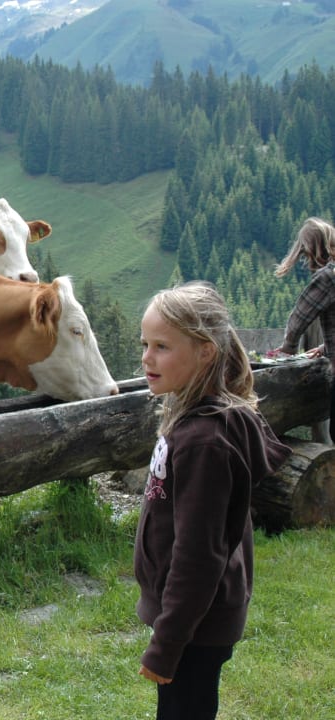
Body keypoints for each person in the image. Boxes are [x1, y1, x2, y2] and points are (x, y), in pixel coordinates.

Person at [137, 281, 291, 719]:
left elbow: (199, 556)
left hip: (195, 626)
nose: (147, 357)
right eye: (145, 343)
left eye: (162, 346)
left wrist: (167, 644)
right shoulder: (192, 420)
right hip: (193, 619)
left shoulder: (206, 442)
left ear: (205, 352)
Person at [270, 217, 335, 443]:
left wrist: (288, 348)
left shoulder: (328, 277)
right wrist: (325, 347)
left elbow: (300, 316)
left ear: (311, 249)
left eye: (306, 256)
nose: (307, 263)